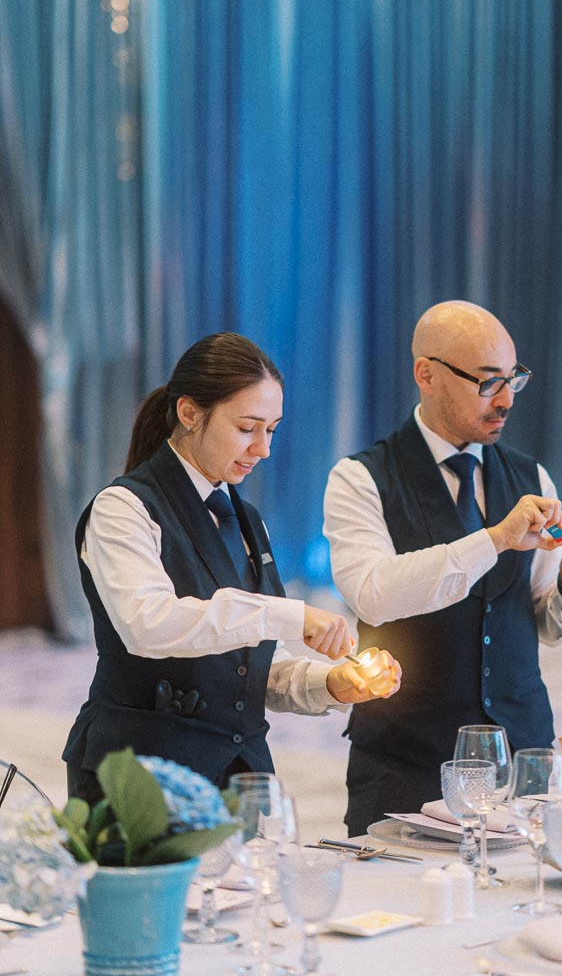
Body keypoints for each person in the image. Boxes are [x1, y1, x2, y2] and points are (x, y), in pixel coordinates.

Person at [324, 300, 562, 834]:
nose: (505, 400)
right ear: (427, 375)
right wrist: (494, 539)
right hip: (406, 766)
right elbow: (372, 592)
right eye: (487, 382)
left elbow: (549, 626)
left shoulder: (532, 476)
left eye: (513, 380)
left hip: (522, 759)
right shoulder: (359, 479)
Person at [63, 332, 400, 802]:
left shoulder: (244, 518)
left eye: (272, 430)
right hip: (136, 778)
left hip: (242, 778)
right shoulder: (123, 508)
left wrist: (332, 684)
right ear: (188, 413)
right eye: (248, 428)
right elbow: (149, 625)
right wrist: (290, 614)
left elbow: (250, 667)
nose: (262, 448)